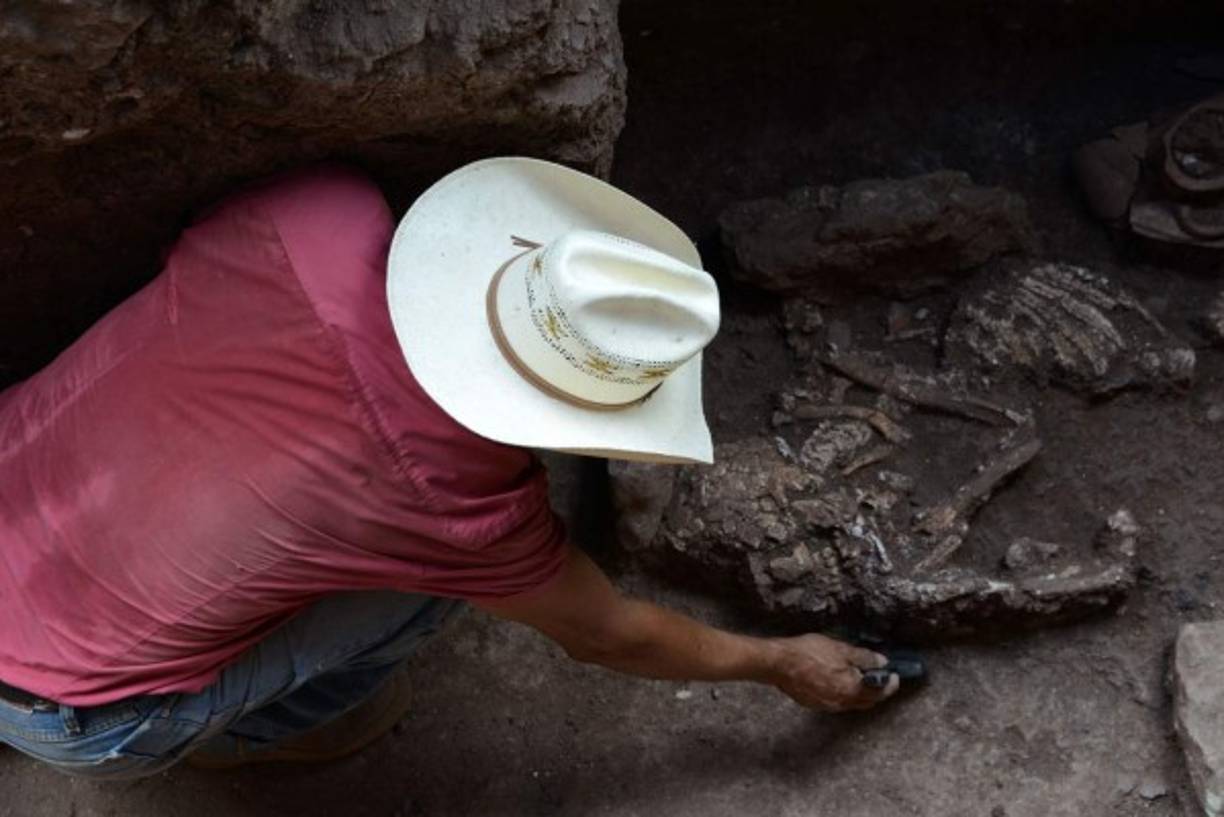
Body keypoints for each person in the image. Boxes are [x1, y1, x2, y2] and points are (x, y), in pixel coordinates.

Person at [0, 158, 898, 780]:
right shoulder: (464, 506)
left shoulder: (318, 215)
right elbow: (606, 630)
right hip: (72, 713)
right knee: (429, 590)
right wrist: (779, 662)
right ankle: (252, 736)